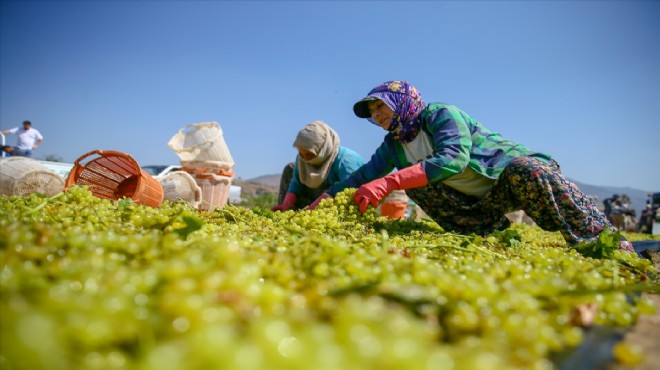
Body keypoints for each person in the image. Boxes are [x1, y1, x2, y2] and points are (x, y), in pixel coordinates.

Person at [315, 80, 633, 252]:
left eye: (381, 106)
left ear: (401, 102)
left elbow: (453, 158)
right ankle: (487, 230)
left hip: (509, 179)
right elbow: (365, 175)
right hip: (479, 201)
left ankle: (599, 236)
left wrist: (391, 182)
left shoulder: (440, 115)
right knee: (416, 182)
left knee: (528, 169)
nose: (377, 115)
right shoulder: (394, 144)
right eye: (372, 111)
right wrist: (328, 196)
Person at [271, 120, 365, 211]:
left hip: (336, 205)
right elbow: (296, 183)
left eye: (309, 154)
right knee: (290, 168)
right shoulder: (302, 158)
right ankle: (288, 213)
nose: (305, 158)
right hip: (313, 205)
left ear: (323, 149)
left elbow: (350, 190)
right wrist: (286, 204)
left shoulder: (346, 161)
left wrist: (317, 206)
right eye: (301, 153)